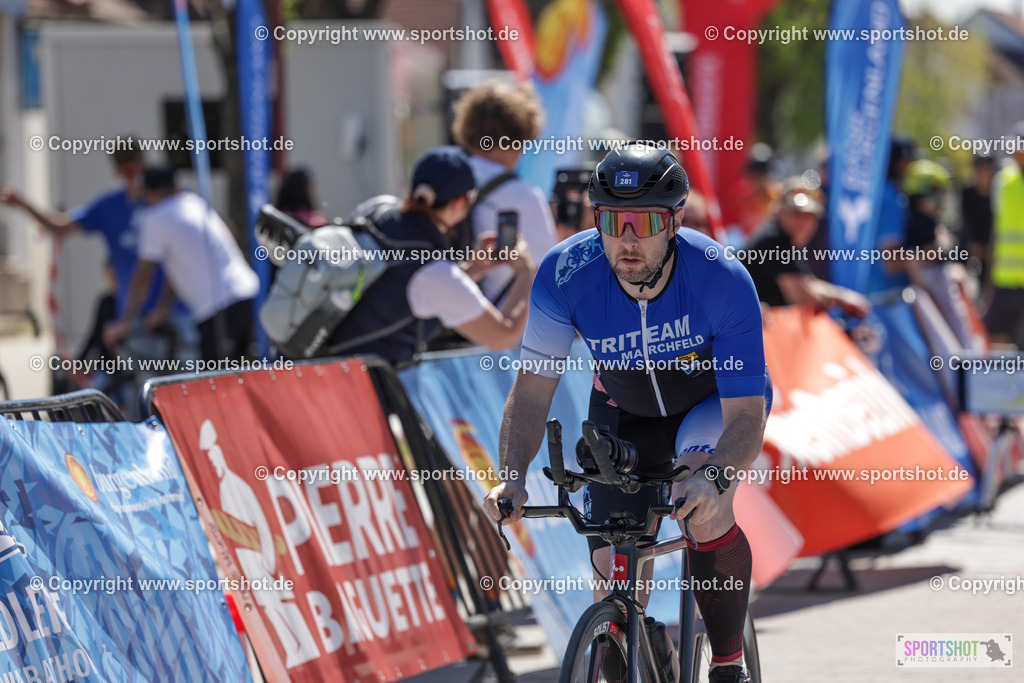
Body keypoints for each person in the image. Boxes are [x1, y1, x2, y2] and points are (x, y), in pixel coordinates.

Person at [483, 143, 771, 683]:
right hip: (624, 413)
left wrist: (715, 477)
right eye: (614, 222)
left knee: (702, 506)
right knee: (614, 572)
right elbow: (529, 394)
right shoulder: (565, 274)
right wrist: (512, 479)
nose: (628, 239)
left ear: (675, 220)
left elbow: (745, 417)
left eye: (645, 222)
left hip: (710, 408)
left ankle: (729, 664)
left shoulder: (721, 278)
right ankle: (640, 643)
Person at [324, 146, 537, 362]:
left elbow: (407, 286)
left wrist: (475, 268)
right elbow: (504, 337)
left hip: (318, 369)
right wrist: (526, 272)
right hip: (359, 386)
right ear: (459, 203)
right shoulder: (433, 271)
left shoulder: (379, 212)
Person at [0, 139, 172, 321]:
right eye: (128, 171)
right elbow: (61, 226)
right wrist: (24, 205)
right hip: (133, 316)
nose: (135, 177)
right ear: (118, 172)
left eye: (138, 170)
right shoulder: (109, 207)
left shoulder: (165, 203)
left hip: (173, 311)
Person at [104, 167, 259, 362]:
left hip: (219, 308)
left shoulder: (157, 217)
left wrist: (125, 322)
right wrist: (163, 311)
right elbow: (177, 271)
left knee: (216, 384)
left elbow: (143, 274)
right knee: (244, 376)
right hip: (248, 295)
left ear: (150, 194)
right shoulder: (194, 203)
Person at [451, 80, 557, 304]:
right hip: (504, 330)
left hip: (445, 326)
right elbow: (549, 277)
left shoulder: (446, 179)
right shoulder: (525, 196)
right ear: (519, 134)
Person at [741, 178, 870, 316]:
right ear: (780, 210)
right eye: (796, 214)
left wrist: (840, 296)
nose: (804, 222)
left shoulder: (786, 240)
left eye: (810, 216)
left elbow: (807, 282)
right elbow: (801, 295)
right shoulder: (774, 240)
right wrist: (839, 299)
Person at [985, 122, 1024, 346]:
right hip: (1005, 284)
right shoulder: (1003, 181)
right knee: (997, 349)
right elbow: (995, 234)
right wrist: (988, 290)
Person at [865, 138, 914, 296]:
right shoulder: (889, 198)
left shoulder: (877, 192)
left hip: (875, 291)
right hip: (887, 298)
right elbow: (891, 263)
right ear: (901, 163)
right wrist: (935, 251)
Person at [960, 155, 995, 290]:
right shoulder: (968, 193)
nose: (983, 174)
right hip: (972, 249)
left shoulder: (999, 192)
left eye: (986, 169)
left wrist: (989, 249)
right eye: (979, 169)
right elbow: (965, 221)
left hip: (994, 250)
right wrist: (972, 246)